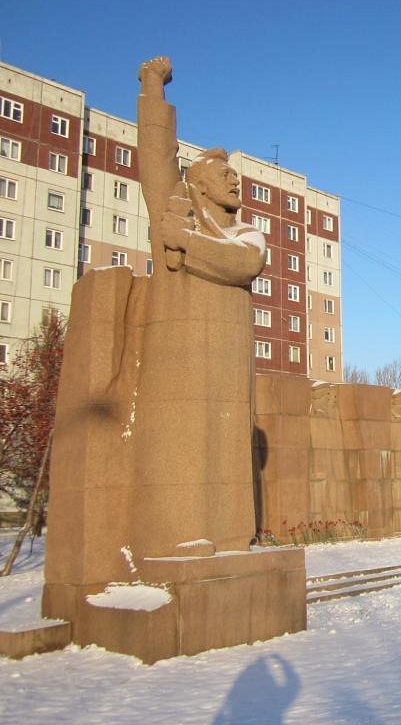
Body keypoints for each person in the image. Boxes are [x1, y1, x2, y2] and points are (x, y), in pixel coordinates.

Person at [127, 57, 267, 559]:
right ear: (200, 184)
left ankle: (232, 538)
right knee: (176, 454)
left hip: (229, 358)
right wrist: (152, 90)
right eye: (224, 175)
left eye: (236, 176)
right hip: (177, 351)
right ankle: (171, 537)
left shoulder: (244, 232)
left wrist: (184, 242)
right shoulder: (173, 203)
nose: (236, 182)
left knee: (225, 454)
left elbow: (244, 264)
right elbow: (155, 157)